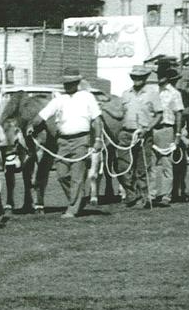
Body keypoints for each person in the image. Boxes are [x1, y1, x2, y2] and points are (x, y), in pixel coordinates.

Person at [29, 70, 102, 218]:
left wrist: (98, 139)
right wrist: (32, 125)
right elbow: (43, 115)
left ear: (77, 83)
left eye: (71, 83)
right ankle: (77, 200)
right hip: (62, 141)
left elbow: (97, 120)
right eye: (66, 83)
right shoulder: (58, 100)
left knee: (77, 176)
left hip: (81, 140)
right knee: (61, 175)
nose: (67, 85)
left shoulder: (87, 97)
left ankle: (72, 210)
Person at [117, 65, 158, 208]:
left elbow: (159, 114)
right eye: (134, 77)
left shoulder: (152, 94)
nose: (137, 80)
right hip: (126, 133)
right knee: (122, 166)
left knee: (142, 167)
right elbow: (120, 114)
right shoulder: (125, 94)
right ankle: (131, 194)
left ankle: (144, 197)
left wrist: (148, 128)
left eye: (140, 77)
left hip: (143, 134)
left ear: (145, 78)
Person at [149, 65, 186, 207]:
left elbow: (179, 114)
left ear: (167, 77)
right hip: (153, 129)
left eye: (162, 75)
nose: (159, 78)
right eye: (158, 75)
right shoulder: (153, 92)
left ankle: (166, 196)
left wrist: (177, 135)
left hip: (166, 129)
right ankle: (151, 194)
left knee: (166, 164)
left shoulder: (174, 93)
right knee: (151, 164)